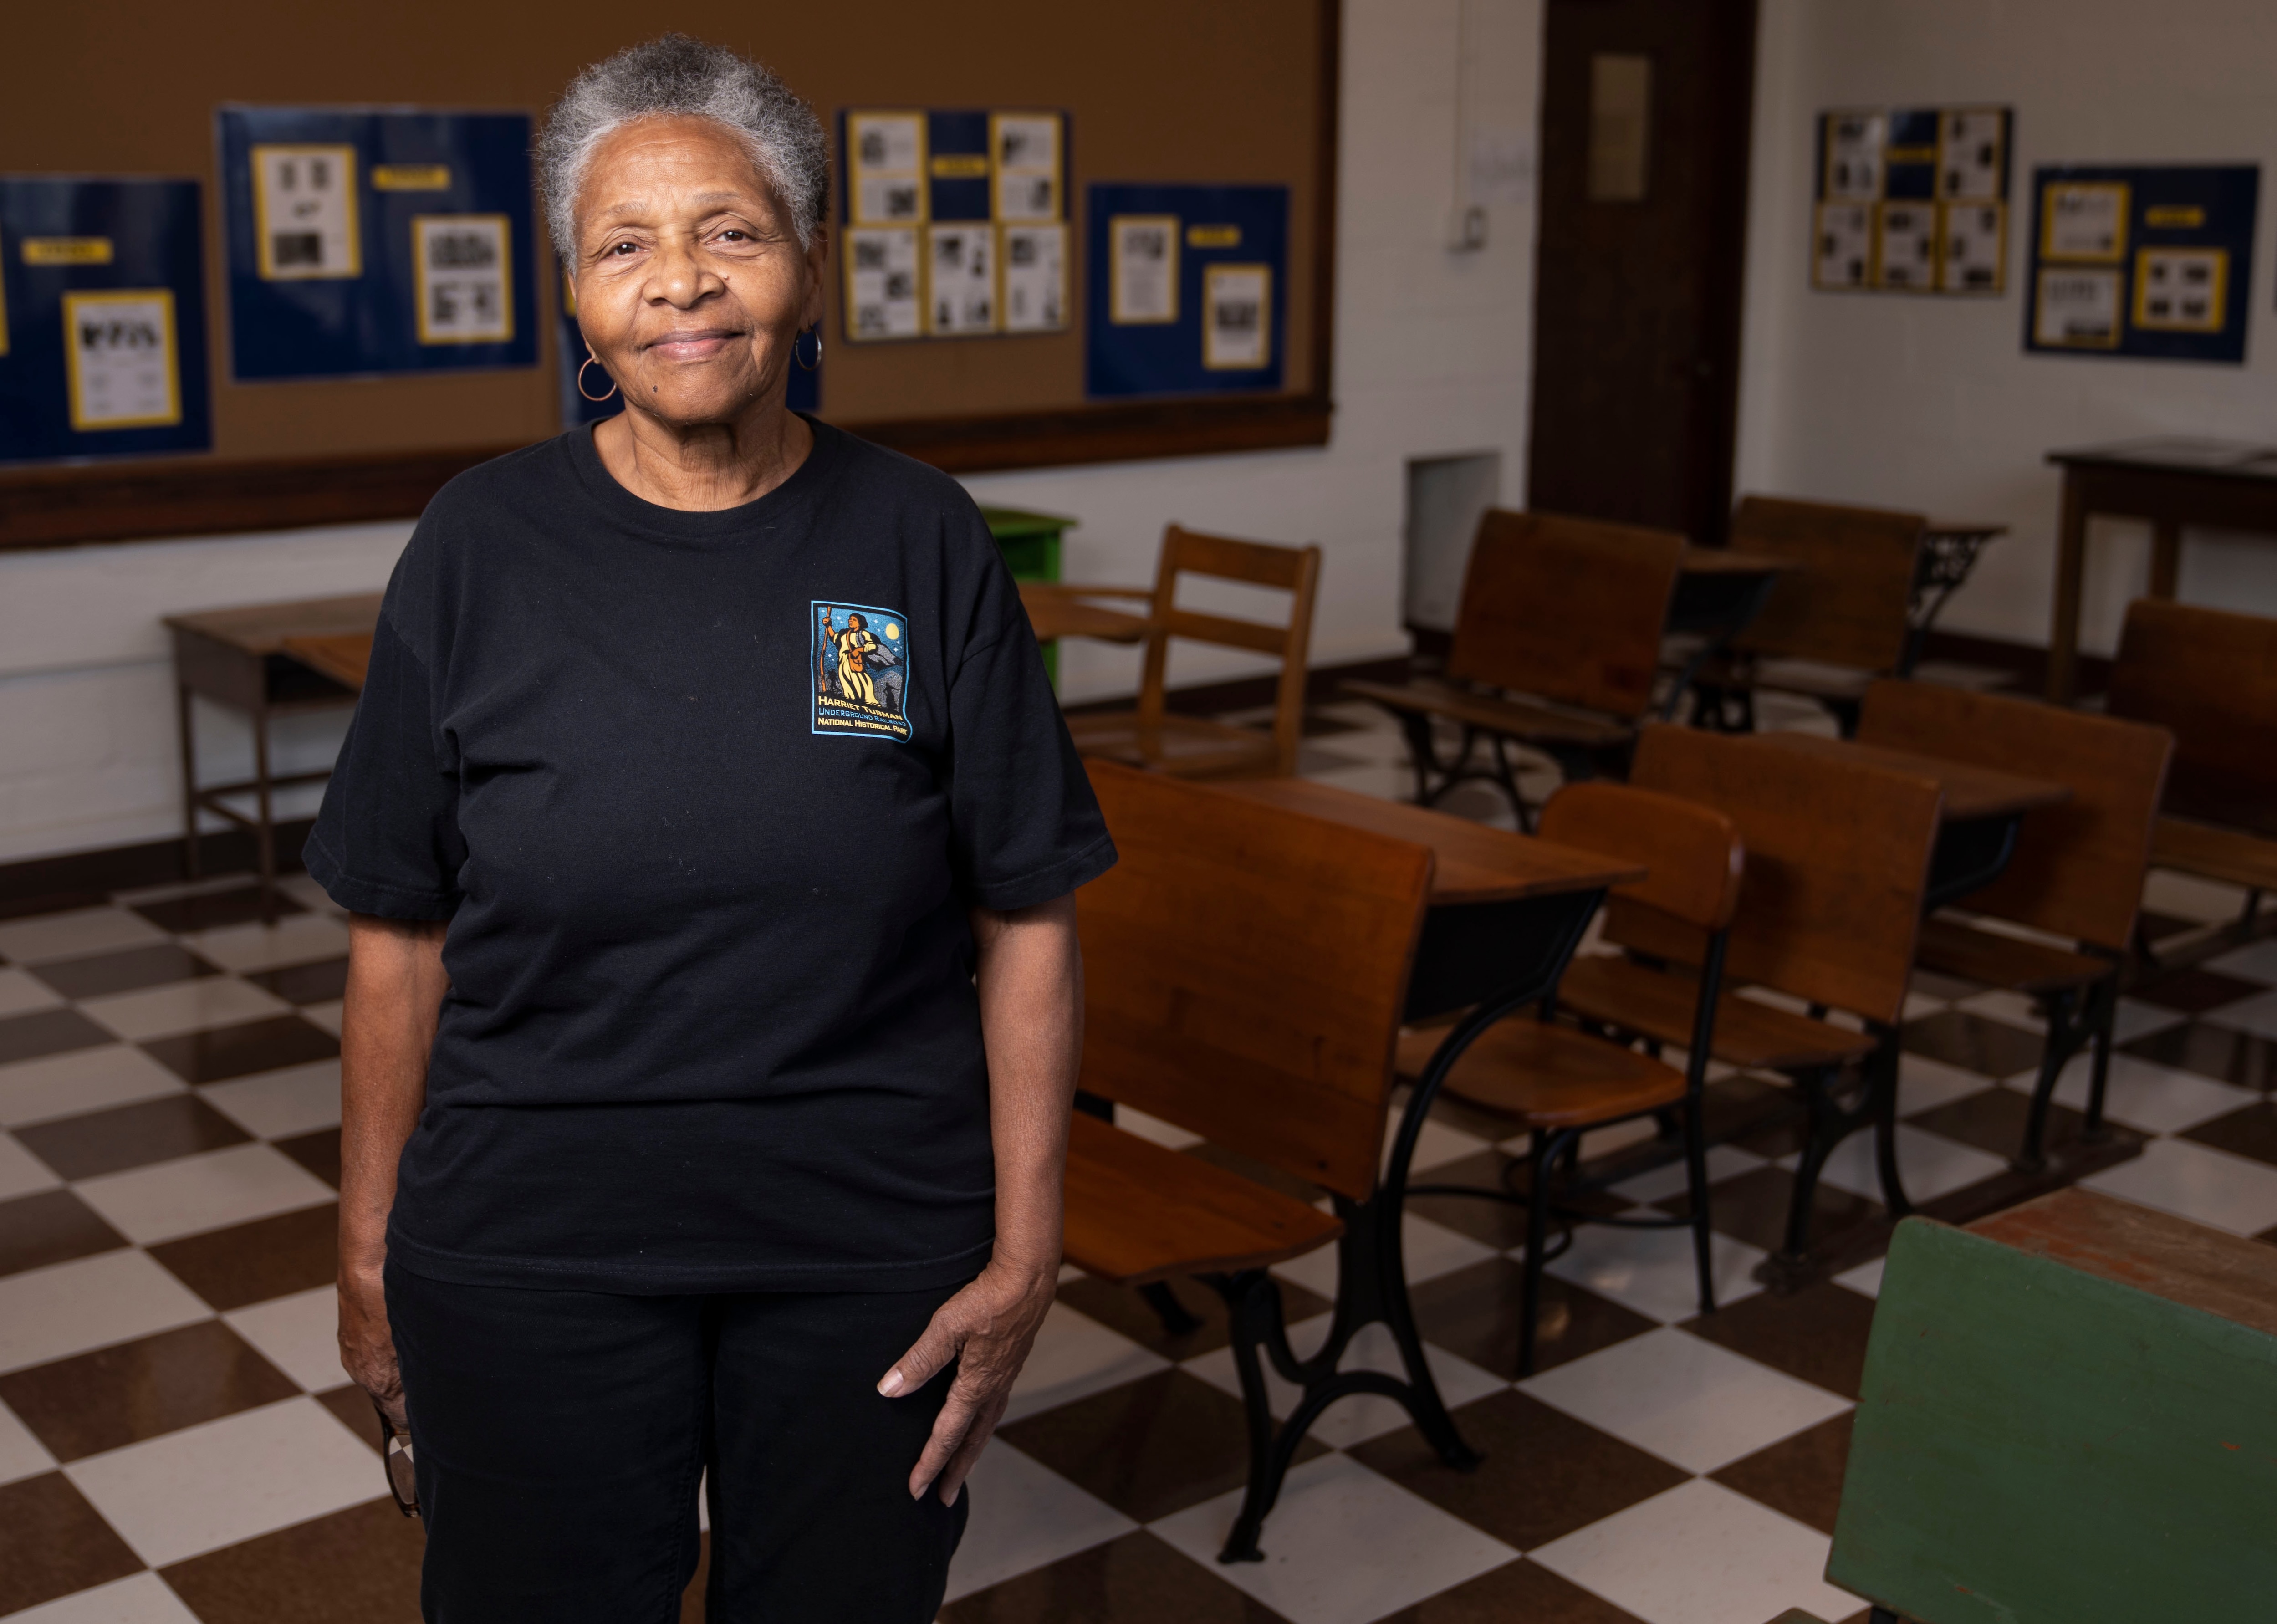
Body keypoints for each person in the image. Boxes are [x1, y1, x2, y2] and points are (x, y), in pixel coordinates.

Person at [313, 34, 1113, 1623]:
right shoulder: (479, 546)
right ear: (576, 301)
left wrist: (1027, 1256)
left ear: (809, 268)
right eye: (625, 245)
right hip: (532, 1241)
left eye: (732, 232)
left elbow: (1028, 912)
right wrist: (368, 1253)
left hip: (866, 1249)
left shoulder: (919, 537)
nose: (682, 282)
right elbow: (395, 929)